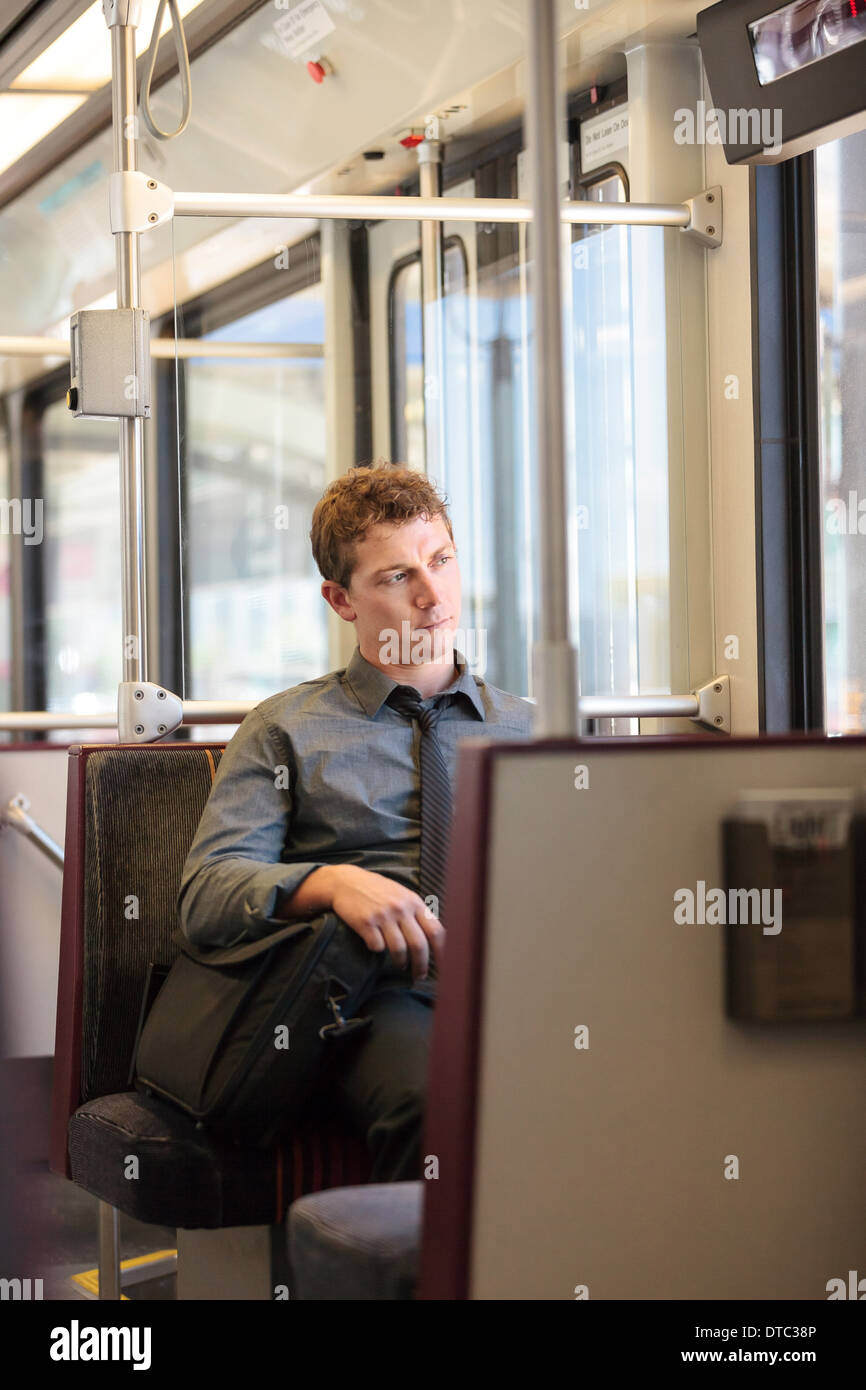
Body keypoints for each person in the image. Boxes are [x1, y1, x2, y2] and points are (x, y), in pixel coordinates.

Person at [177, 461, 533, 1179]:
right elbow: (205, 896)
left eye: (441, 561)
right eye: (396, 577)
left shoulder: (530, 728)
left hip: (519, 984)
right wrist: (329, 883)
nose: (433, 596)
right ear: (341, 600)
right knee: (444, 1101)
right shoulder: (286, 729)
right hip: (370, 997)